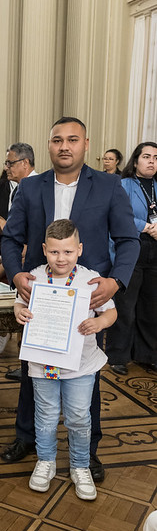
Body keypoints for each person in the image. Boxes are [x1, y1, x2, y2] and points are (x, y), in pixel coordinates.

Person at [0, 116, 140, 482]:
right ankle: (26, 439)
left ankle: (86, 452)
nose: (65, 146)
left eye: (72, 140)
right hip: (40, 293)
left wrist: (116, 283)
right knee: (35, 372)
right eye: (58, 140)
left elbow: (128, 239)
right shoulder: (31, 188)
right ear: (49, 145)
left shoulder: (109, 186)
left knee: (85, 374)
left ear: (86, 144)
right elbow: (11, 239)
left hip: (89, 294)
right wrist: (16, 275)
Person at [15, 219, 117, 501]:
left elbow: (111, 312)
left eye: (68, 252)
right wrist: (19, 313)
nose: (61, 258)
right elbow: (20, 304)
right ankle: (46, 462)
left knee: (79, 417)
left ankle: (80, 466)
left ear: (80, 249)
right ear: (45, 249)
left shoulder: (91, 279)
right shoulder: (34, 276)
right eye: (55, 252)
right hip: (42, 362)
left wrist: (100, 324)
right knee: (45, 416)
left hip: (80, 365)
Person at [106, 142, 157, 375]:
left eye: (156, 158)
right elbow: (118, 216)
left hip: (154, 253)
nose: (152, 161)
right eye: (146, 156)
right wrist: (146, 226)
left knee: (151, 307)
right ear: (135, 161)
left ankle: (146, 355)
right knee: (125, 307)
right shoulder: (123, 184)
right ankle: (118, 355)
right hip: (131, 251)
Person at [4, 142, 37, 212]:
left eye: (10, 163)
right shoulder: (15, 190)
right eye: (6, 164)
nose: (6, 168)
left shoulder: (39, 187)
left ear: (25, 163)